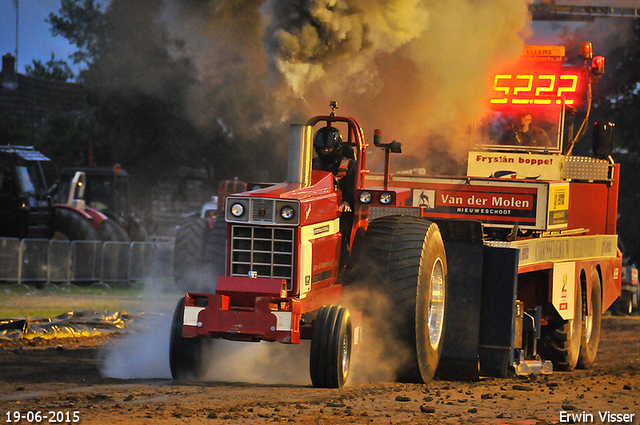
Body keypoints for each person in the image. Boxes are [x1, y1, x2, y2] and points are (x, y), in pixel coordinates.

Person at [312, 126, 356, 212]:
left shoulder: (349, 165)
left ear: (336, 147)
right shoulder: (312, 164)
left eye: (329, 148)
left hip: (341, 206)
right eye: (322, 149)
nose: (325, 151)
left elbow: (352, 188)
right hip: (316, 204)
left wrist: (346, 202)